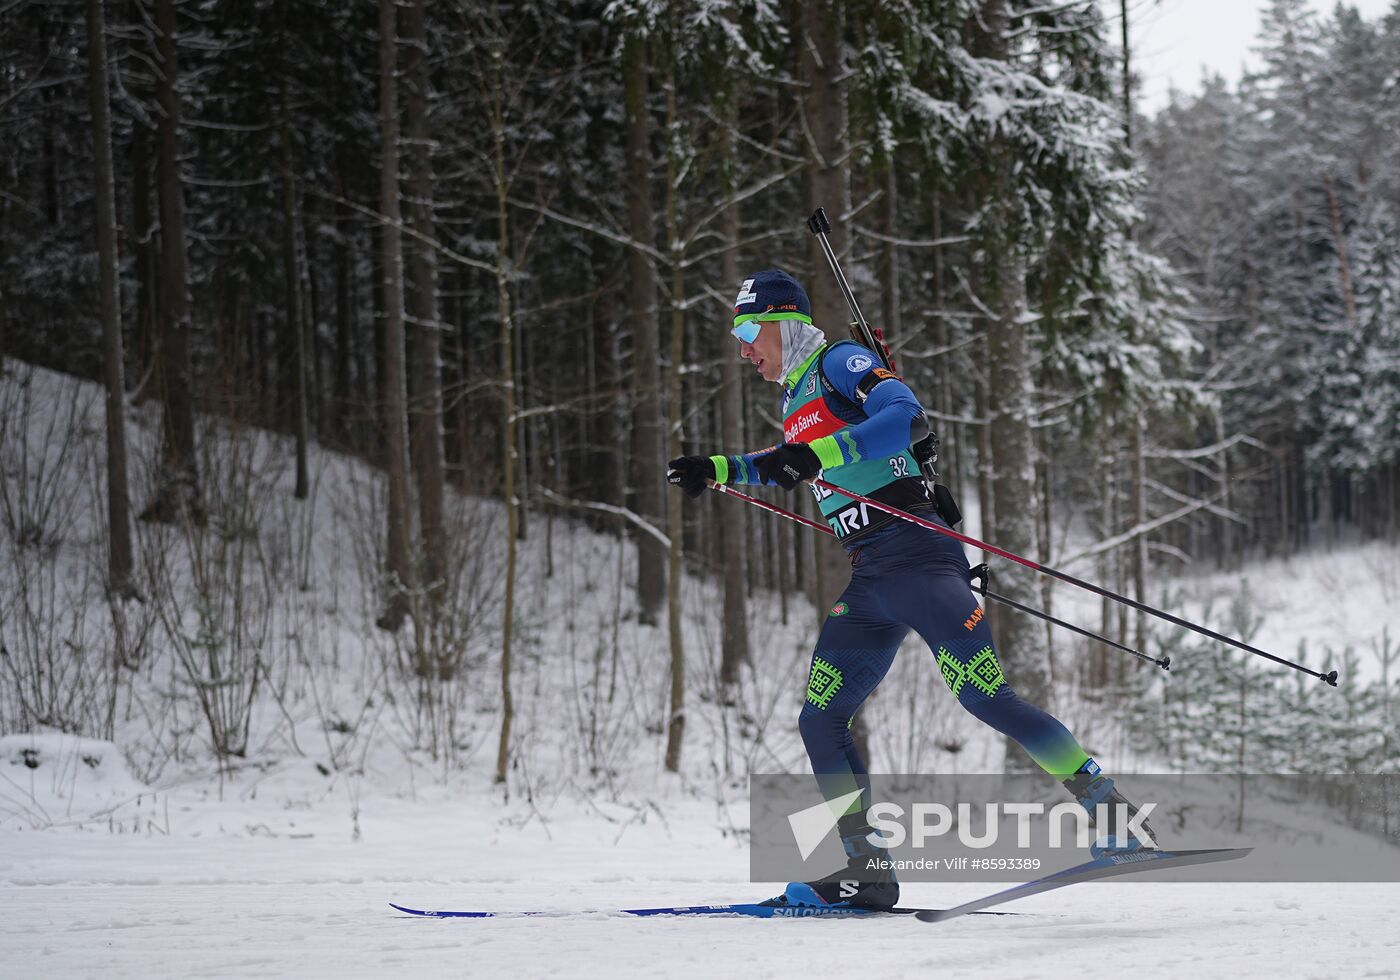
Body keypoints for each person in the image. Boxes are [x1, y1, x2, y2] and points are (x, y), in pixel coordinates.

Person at [667, 268, 1152, 911]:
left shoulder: (840, 360)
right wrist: (718, 468)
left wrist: (817, 456)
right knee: (820, 719)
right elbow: (785, 463)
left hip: (920, 557)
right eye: (737, 335)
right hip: (871, 575)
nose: (744, 348)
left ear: (784, 323)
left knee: (988, 699)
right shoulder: (793, 402)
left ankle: (1115, 817)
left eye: (751, 330)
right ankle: (867, 871)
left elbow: (905, 417)